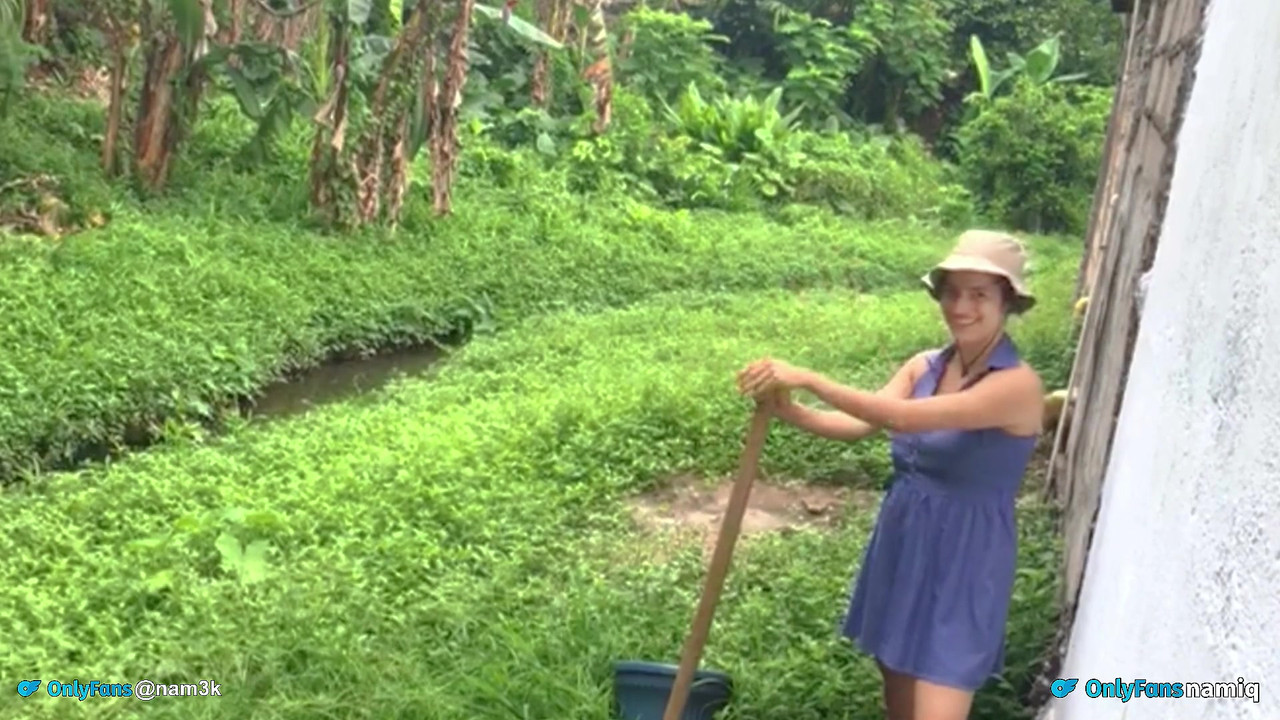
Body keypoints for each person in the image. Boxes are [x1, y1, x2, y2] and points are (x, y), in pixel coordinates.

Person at [736, 230, 1045, 720]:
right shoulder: (924, 367)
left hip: (967, 556)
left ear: (1007, 301)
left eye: (979, 294)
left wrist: (810, 377)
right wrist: (788, 410)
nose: (961, 306)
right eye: (952, 292)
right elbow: (859, 424)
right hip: (906, 539)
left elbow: (901, 418)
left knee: (941, 696)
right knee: (898, 702)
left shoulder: (1017, 386)